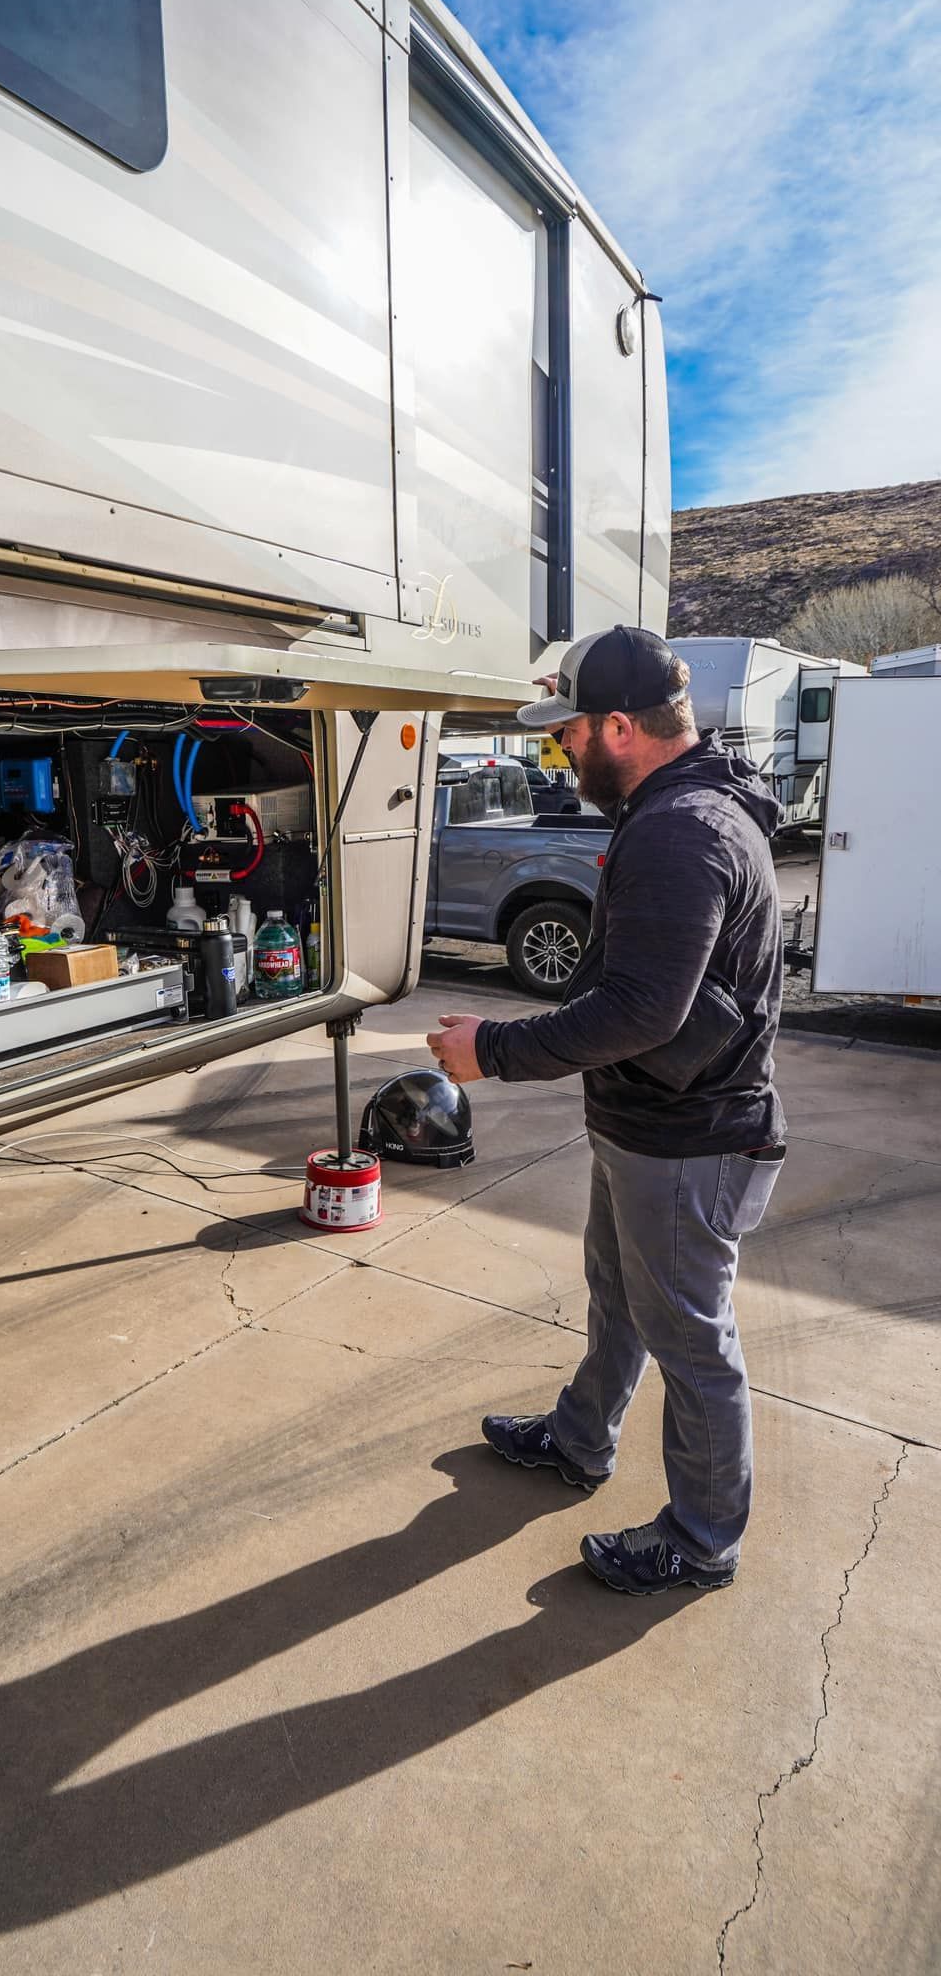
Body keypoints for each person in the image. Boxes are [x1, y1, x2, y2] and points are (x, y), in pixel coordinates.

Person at [427, 626, 786, 1596]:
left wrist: (489, 1051)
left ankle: (703, 1536)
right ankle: (580, 1438)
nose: (561, 752)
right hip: (652, 1121)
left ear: (619, 726)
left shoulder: (679, 830)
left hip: (690, 1138)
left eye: (568, 733)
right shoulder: (686, 804)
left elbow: (640, 1010)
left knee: (691, 1340)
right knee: (619, 1297)